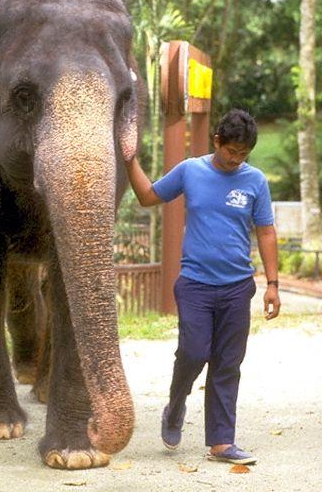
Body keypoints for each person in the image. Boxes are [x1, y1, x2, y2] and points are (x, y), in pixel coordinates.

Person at [125, 109, 280, 466]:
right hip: (195, 284)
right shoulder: (190, 171)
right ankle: (176, 405)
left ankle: (222, 442)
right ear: (217, 141)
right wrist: (129, 159)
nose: (236, 159)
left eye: (243, 154)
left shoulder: (255, 181)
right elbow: (148, 196)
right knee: (194, 352)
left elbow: (266, 232)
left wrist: (272, 284)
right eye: (231, 151)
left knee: (228, 363)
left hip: (237, 286)